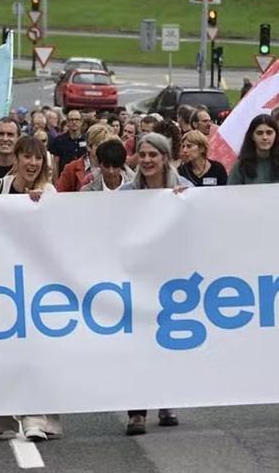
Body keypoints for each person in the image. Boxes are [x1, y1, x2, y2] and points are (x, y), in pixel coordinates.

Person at [0, 135, 59, 442]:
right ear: (16, 159)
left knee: (37, 350)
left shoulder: (48, 191)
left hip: (35, 283)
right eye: (27, 157)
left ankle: (37, 418)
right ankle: (0, 420)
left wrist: (42, 207)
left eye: (37, 158)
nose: (32, 164)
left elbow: (58, 233)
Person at [120, 131, 188, 435]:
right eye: (142, 155)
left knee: (168, 342)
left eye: (153, 155)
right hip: (137, 279)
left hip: (173, 281)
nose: (147, 160)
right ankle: (137, 411)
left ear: (164, 157)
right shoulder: (126, 194)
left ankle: (167, 399)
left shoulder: (186, 190)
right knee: (137, 345)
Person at [227, 114, 279, 185]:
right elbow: (231, 194)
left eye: (269, 133)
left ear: (276, 135)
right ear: (252, 136)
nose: (265, 137)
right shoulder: (240, 167)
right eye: (259, 133)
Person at [56, 124, 113, 192]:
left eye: (107, 145)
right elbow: (60, 195)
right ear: (89, 147)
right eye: (99, 145)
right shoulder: (71, 168)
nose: (104, 149)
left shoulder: (115, 167)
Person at [48, 110, 87, 183]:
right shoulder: (59, 140)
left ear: (81, 122)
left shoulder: (87, 139)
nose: (74, 122)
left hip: (83, 179)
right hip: (65, 179)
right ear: (67, 122)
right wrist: (56, 181)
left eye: (77, 119)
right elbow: (55, 163)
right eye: (71, 120)